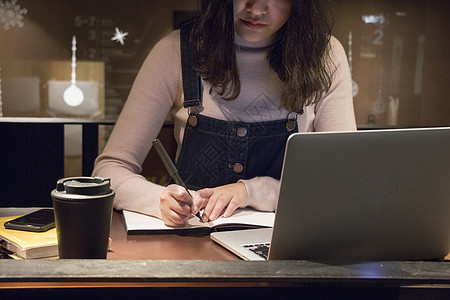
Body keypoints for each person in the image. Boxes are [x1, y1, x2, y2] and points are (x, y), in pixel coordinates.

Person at [93, 0, 356, 227]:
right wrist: (158, 201)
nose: (256, 8)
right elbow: (109, 171)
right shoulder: (174, 52)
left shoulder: (325, 56)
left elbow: (345, 185)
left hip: (289, 248)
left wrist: (253, 191)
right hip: (192, 245)